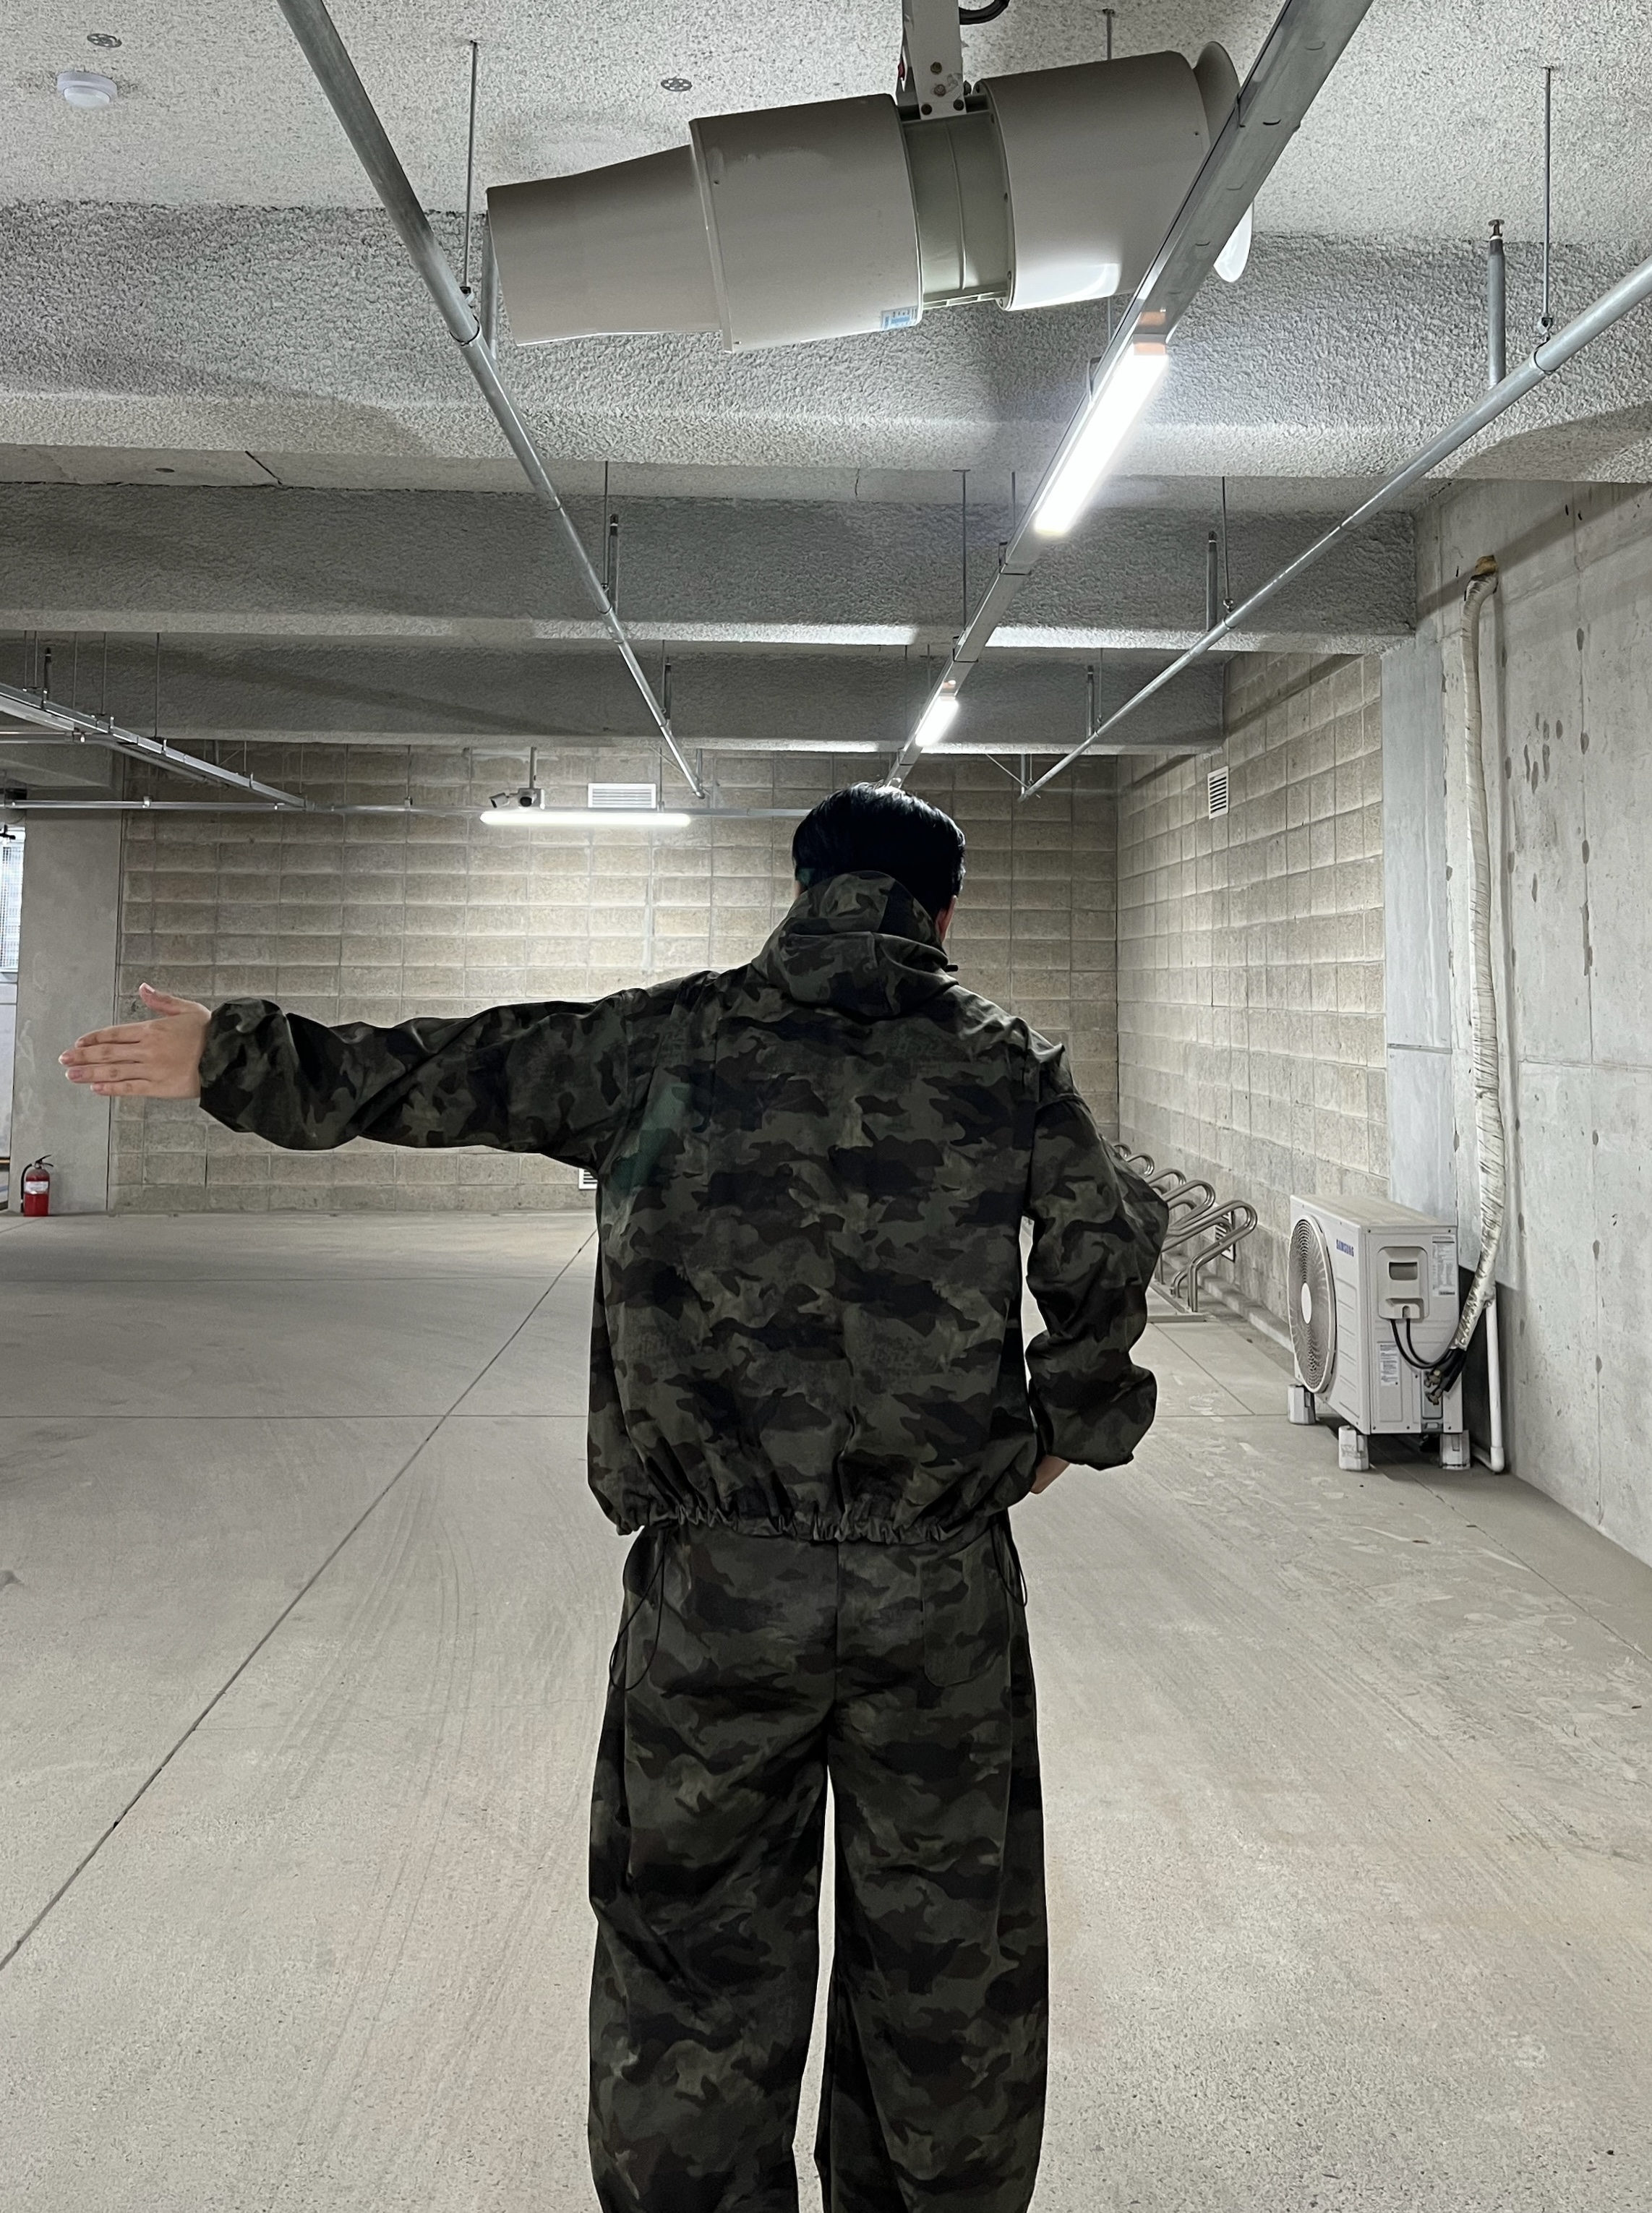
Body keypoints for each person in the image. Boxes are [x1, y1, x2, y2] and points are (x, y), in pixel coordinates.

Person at [63, 782, 1168, 2213]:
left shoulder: (661, 1043)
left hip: (716, 1597)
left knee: (693, 1958)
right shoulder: (1010, 1065)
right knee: (948, 1965)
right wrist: (1062, 1428)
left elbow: (444, 1069)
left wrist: (230, 1050)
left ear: (801, 886)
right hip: (938, 1594)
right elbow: (1105, 1253)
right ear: (941, 912)